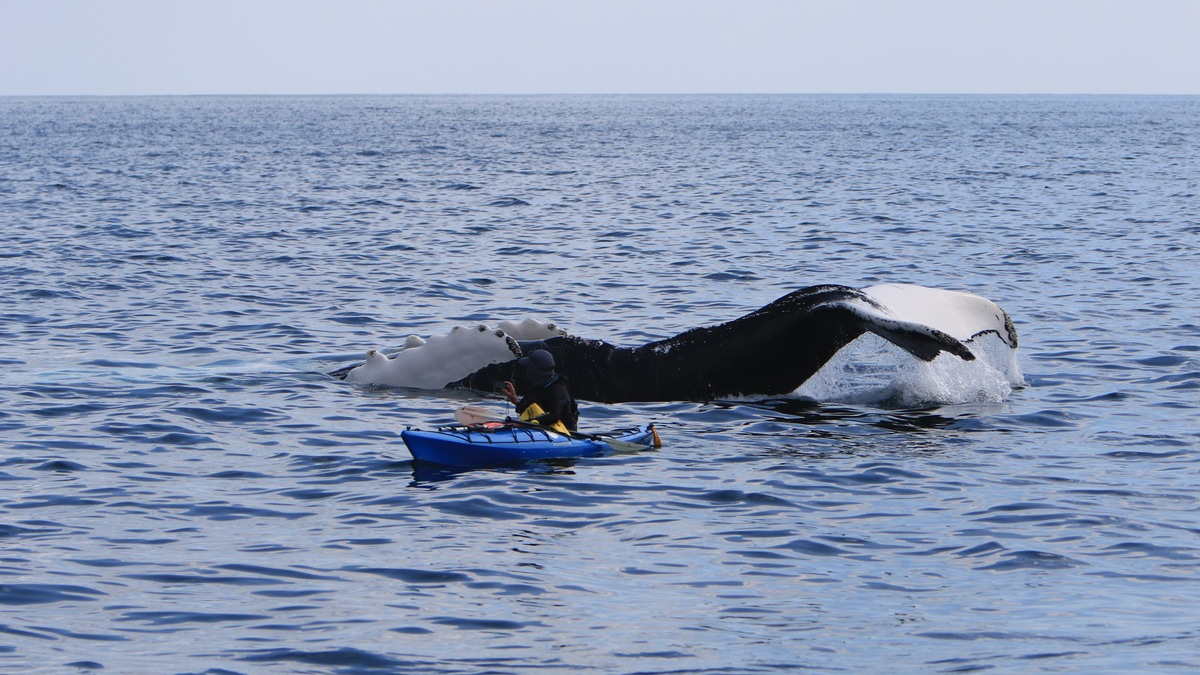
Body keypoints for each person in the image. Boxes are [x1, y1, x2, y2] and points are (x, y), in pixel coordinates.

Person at [499, 349, 578, 433]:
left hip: (563, 433)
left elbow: (554, 415)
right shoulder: (537, 387)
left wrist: (528, 423)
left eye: (528, 367)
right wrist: (514, 400)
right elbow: (529, 411)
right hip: (539, 429)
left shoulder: (558, 390)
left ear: (534, 370)